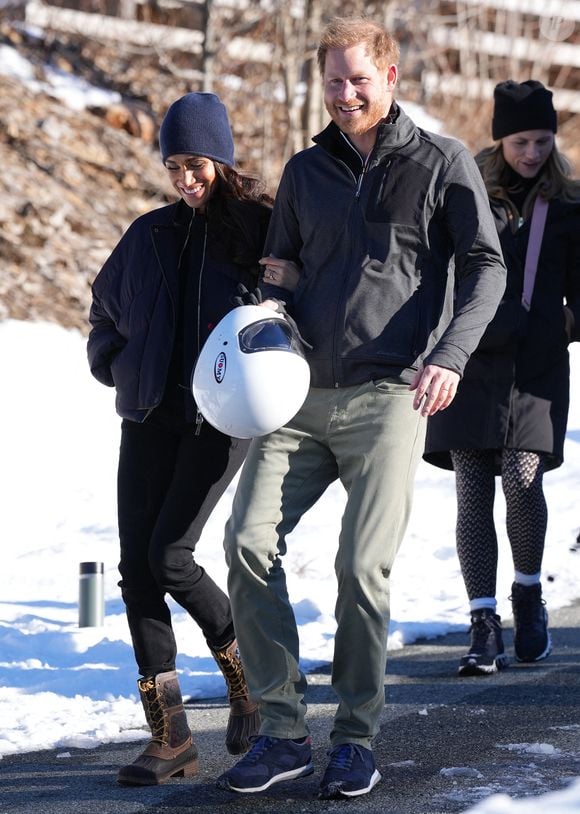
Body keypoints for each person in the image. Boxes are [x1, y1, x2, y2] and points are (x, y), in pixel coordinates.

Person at [216, 16, 506, 800]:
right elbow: (282, 272)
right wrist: (270, 304)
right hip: (302, 392)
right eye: (334, 81)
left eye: (358, 79)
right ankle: (282, 732)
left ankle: (354, 736)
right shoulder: (307, 171)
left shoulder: (442, 162)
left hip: (393, 391)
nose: (345, 94)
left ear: (390, 76)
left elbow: (486, 268)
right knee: (245, 541)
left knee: (359, 566)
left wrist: (450, 356)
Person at [87, 92, 272, 785]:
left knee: (170, 556)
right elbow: (105, 307)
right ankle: (170, 739)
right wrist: (113, 360)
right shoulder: (150, 232)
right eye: (173, 166)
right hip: (148, 415)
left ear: (220, 157)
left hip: (221, 420)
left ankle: (243, 673)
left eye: (194, 163)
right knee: (137, 568)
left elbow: (294, 311)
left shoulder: (260, 228)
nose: (185, 179)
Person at [424, 80, 580, 677]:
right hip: (468, 358)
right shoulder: (467, 193)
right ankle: (482, 620)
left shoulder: (567, 206)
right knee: (471, 490)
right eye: (520, 141)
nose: (532, 153)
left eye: (542, 140)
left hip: (536, 364)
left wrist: (564, 319)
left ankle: (528, 591)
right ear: (500, 140)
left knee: (521, 481)